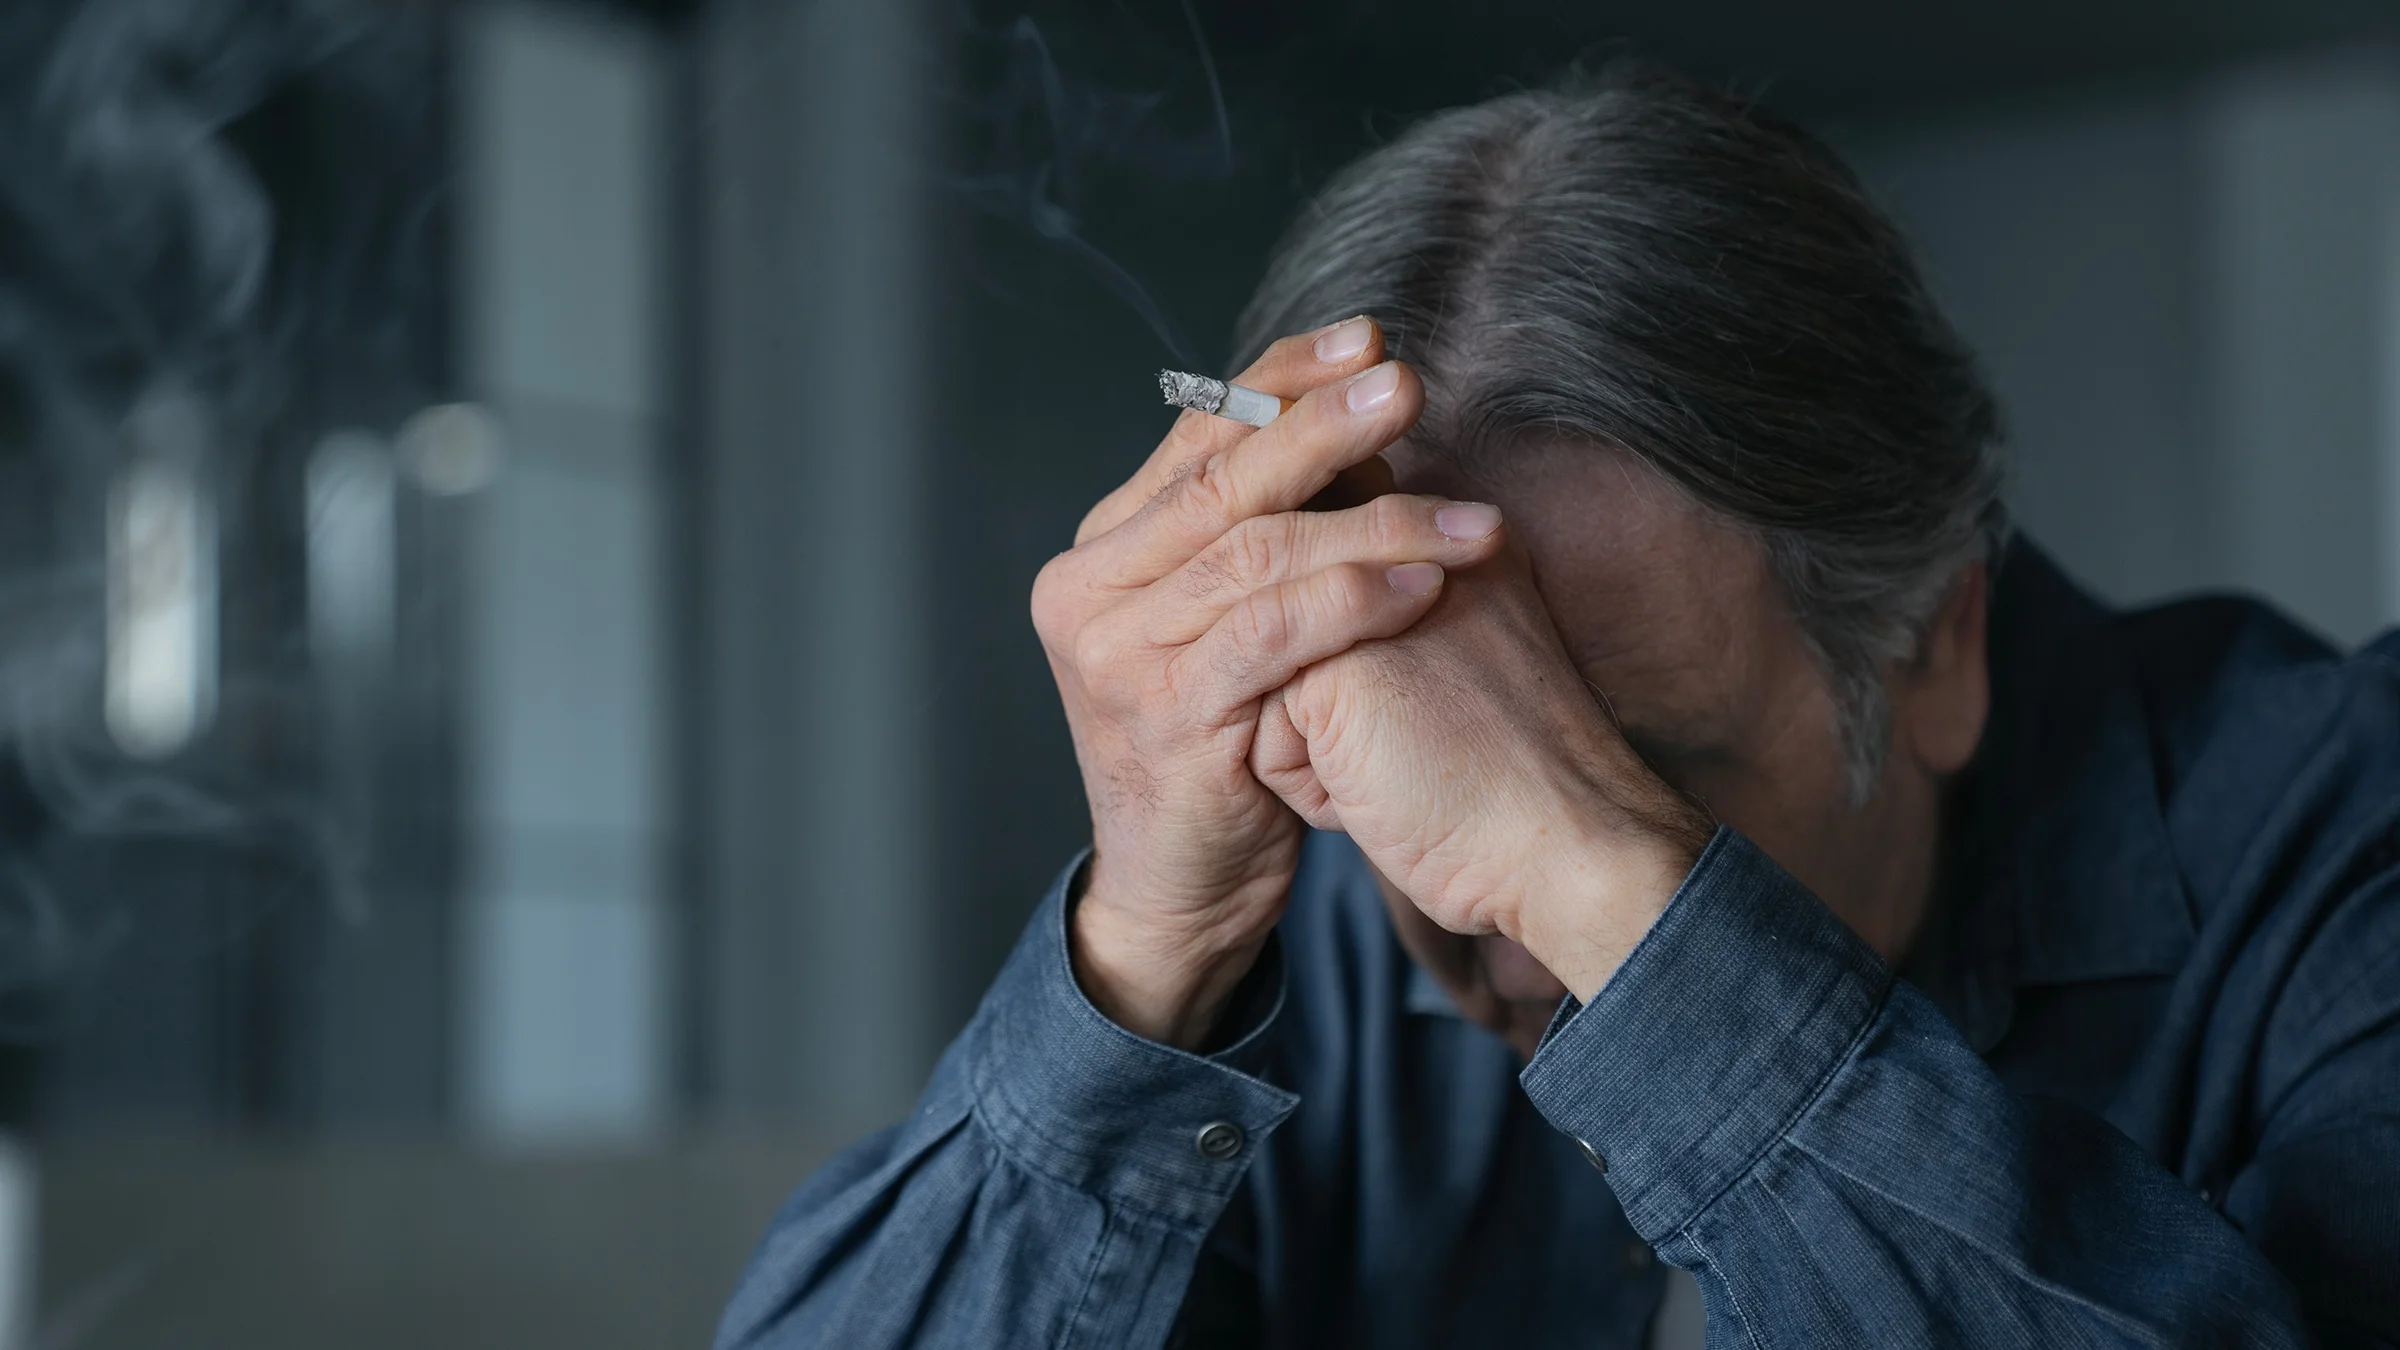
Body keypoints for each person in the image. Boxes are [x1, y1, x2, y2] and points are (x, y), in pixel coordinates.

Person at [715, 65, 2400, 1348]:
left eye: (1616, 771)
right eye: (1444, 751)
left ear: (1937, 639)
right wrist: (1149, 942)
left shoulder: (2348, 843)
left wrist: (1623, 897)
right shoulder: (1300, 917)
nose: (1493, 938)